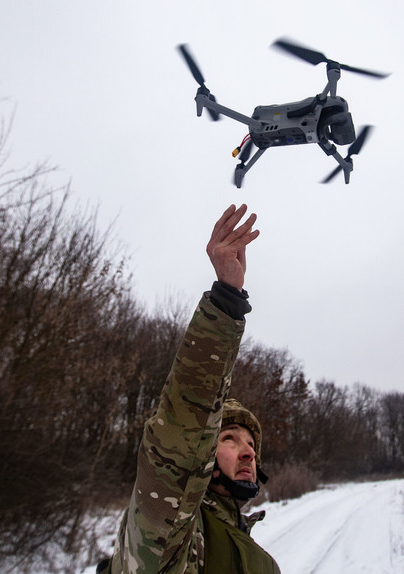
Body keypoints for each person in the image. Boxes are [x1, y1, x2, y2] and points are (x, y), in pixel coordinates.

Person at [98, 204, 281, 574]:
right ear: (206, 454)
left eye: (250, 444)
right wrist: (227, 300)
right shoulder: (174, 539)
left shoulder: (256, 555)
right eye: (229, 439)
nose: (248, 452)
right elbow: (184, 433)